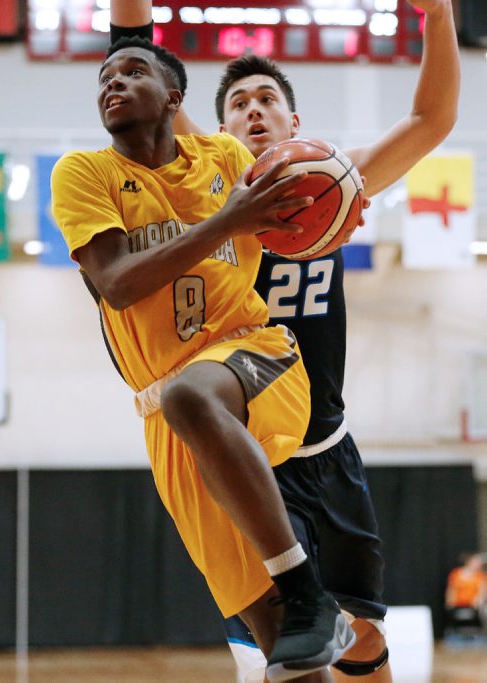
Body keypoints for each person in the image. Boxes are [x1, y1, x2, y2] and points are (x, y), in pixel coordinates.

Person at [108, 1, 460, 681]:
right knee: (286, 658)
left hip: (328, 450)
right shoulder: (209, 193)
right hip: (249, 464)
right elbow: (133, 44)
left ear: (294, 122)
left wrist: (440, 16)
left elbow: (431, 122)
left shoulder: (333, 183)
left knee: (362, 643)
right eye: (239, 102)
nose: (255, 109)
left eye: (268, 97)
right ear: (217, 130)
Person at [51, 34, 360, 682]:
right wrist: (225, 223)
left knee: (193, 394)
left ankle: (310, 590)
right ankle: (301, 611)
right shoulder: (84, 173)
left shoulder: (224, 157)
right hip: (163, 411)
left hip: (254, 351)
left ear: (173, 98)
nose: (112, 82)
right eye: (104, 76)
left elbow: (309, 194)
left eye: (133, 71)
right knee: (284, 647)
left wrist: (338, 202)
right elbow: (117, 283)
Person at [445, 552, 487, 634]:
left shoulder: (481, 576)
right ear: (468, 562)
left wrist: (478, 600)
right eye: (476, 562)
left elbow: (483, 591)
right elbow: (451, 589)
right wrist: (450, 602)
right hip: (458, 605)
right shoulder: (456, 574)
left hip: (474, 605)